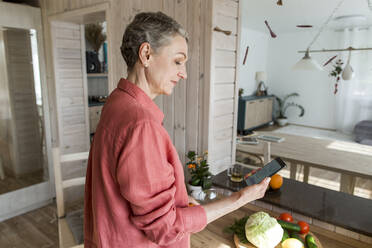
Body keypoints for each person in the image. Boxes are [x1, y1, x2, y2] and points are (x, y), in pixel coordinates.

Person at [84, 11, 270, 248]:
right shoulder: (141, 123)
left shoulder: (117, 102)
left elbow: (133, 189)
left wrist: (180, 199)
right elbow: (166, 228)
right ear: (146, 54)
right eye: (177, 61)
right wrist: (240, 198)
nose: (183, 73)